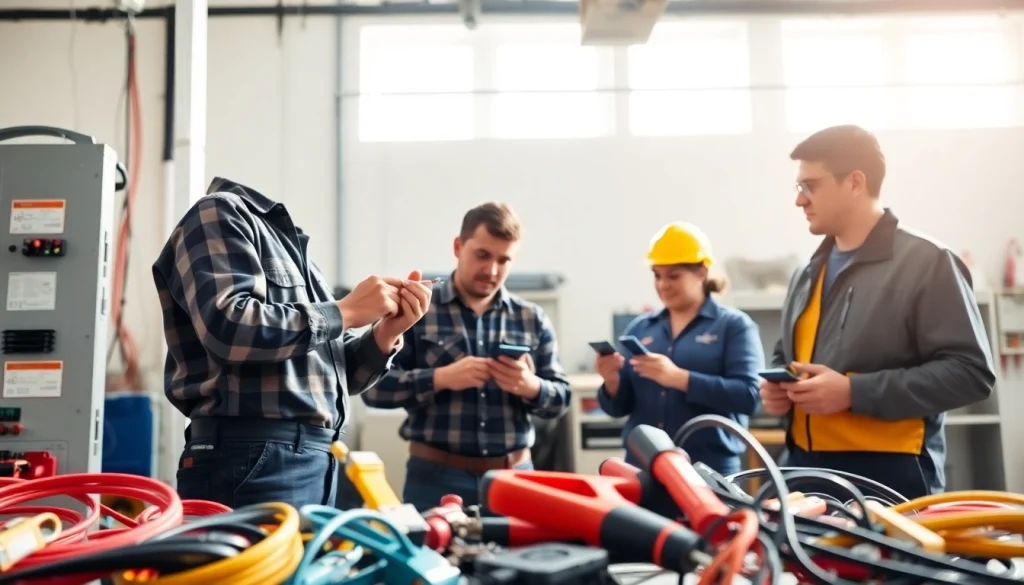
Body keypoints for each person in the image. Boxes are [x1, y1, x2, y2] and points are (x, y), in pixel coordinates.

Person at [152, 177, 432, 509]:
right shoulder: (219, 212)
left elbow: (338, 377)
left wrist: (386, 333)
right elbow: (229, 329)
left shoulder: (301, 259)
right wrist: (348, 310)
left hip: (308, 459)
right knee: (256, 564)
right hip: (253, 456)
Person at [759, 125, 995, 499]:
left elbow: (970, 373)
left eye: (810, 186)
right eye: (798, 188)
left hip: (891, 480)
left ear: (855, 182)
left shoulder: (928, 263)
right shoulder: (807, 274)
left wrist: (854, 391)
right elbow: (787, 356)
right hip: (806, 473)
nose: (799, 201)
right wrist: (778, 391)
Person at [362, 202, 571, 511]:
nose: (492, 270)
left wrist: (531, 387)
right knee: (435, 560)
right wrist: (439, 378)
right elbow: (372, 389)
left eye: (504, 260)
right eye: (483, 255)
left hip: (515, 478)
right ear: (458, 247)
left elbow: (562, 398)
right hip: (434, 479)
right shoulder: (418, 312)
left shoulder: (532, 318)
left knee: (517, 562)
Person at [596, 222, 764, 475]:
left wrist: (679, 379)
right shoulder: (640, 328)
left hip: (708, 470)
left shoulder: (734, 326)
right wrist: (611, 383)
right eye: (657, 275)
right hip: (644, 468)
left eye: (674, 275)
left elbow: (750, 396)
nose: (663, 284)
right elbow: (618, 408)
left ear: (701, 273)